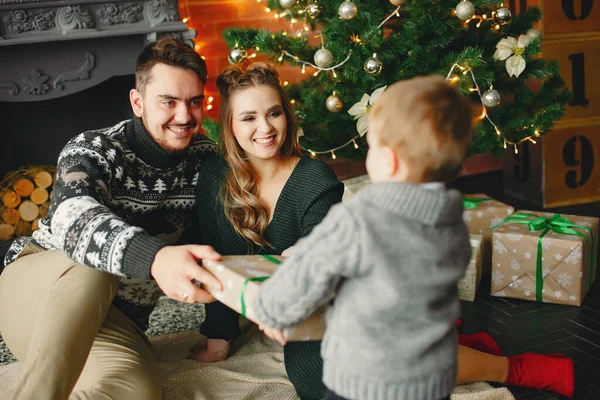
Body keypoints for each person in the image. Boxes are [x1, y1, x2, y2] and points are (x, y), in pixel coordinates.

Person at [253, 76, 575, 400]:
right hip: (430, 382)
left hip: (364, 383)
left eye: (372, 146)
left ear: (389, 160)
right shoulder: (451, 222)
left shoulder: (359, 219)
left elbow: (301, 279)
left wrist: (269, 309)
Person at [0, 38, 224, 400]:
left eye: (194, 102)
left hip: (115, 322)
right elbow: (73, 220)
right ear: (138, 102)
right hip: (37, 291)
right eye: (168, 101)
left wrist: (221, 332)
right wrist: (155, 258)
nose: (185, 116)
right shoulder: (93, 148)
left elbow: (225, 236)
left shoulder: (206, 160)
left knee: (139, 392)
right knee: (94, 263)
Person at [188, 62, 344, 400]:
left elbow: (318, 271)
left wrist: (302, 256)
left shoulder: (317, 179)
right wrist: (219, 338)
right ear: (229, 125)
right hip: (282, 308)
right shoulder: (215, 177)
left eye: (274, 113)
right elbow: (216, 261)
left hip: (323, 301)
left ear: (286, 116)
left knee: (320, 378)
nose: (265, 127)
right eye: (248, 118)